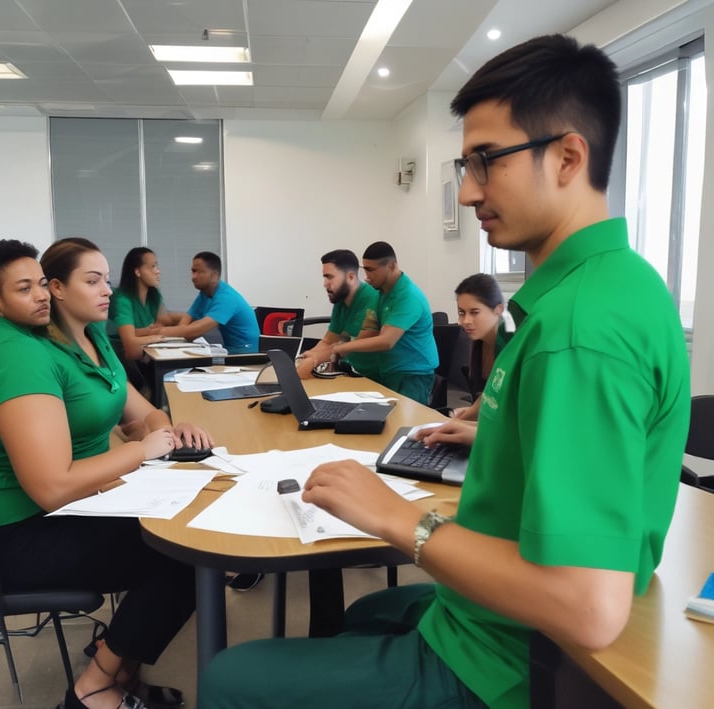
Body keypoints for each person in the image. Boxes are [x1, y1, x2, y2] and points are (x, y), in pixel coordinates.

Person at [198, 34, 690, 709]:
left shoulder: (579, 331)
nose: (465, 192)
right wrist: (497, 437)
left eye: (486, 162)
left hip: (504, 658)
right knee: (367, 615)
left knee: (229, 677)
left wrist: (401, 523)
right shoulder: (612, 286)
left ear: (569, 156)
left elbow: (588, 606)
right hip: (490, 618)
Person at [0, 238, 213, 709]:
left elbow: (141, 413)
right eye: (25, 288)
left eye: (39, 285)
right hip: (13, 540)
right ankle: (94, 688)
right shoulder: (13, 352)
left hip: (43, 517)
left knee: (182, 533)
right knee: (184, 553)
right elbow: (51, 487)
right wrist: (142, 450)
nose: (41, 297)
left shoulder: (58, 339)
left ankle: (117, 671)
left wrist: (154, 435)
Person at [330, 241, 438, 405]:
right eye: (364, 269)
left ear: (392, 266)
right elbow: (370, 329)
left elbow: (386, 341)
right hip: (389, 372)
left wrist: (343, 348)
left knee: (406, 427)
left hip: (412, 375)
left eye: (371, 270)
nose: (367, 276)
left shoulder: (408, 296)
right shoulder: (381, 293)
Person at [107, 246, 184, 396]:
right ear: (137, 271)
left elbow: (165, 319)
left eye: (157, 266)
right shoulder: (123, 299)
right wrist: (156, 337)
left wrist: (190, 317)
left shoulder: (153, 295)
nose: (158, 271)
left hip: (143, 353)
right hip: (124, 359)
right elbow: (129, 344)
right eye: (153, 267)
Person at [296, 249, 379, 380]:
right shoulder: (341, 300)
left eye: (330, 277)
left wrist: (314, 360)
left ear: (351, 277)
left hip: (386, 378)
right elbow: (328, 341)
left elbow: (354, 346)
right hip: (358, 374)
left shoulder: (372, 300)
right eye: (324, 277)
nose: (325, 284)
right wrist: (303, 358)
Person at [160, 251, 259, 353]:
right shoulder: (205, 293)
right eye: (193, 271)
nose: (193, 277)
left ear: (214, 276)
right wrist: (175, 338)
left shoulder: (226, 298)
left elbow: (197, 329)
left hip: (246, 354)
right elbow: (187, 321)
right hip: (230, 351)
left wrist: (157, 332)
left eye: (199, 272)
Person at [449, 273, 510, 421]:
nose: (466, 321)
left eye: (474, 312)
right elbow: (488, 394)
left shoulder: (510, 340)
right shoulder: (480, 340)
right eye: (461, 313)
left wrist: (460, 423)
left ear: (498, 309)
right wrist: (468, 413)